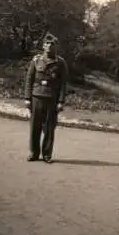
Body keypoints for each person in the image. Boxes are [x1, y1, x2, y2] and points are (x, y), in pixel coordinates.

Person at [24, 32, 68, 163]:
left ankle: (47, 154)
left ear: (56, 47)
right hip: (36, 97)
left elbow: (63, 83)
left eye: (52, 44)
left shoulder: (60, 63)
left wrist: (61, 101)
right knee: (34, 127)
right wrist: (27, 98)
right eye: (47, 43)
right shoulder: (36, 60)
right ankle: (34, 153)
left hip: (51, 99)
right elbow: (29, 79)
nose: (49, 46)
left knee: (49, 128)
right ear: (43, 46)